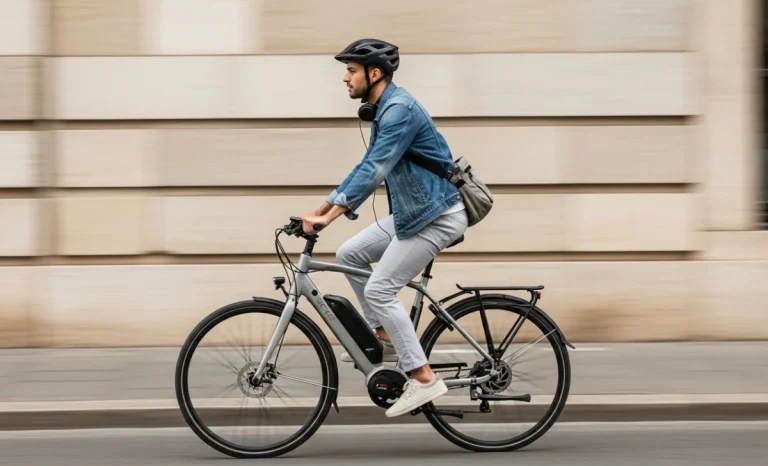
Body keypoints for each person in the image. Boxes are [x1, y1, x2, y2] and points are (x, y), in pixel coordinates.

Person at [298, 38, 468, 418]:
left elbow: (376, 169)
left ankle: (423, 378)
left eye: (351, 71)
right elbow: (364, 168)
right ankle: (387, 339)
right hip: (415, 211)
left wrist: (330, 217)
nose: (345, 78)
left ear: (374, 73)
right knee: (350, 254)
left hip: (437, 214)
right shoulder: (385, 109)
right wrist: (319, 211)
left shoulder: (399, 111)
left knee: (380, 289)